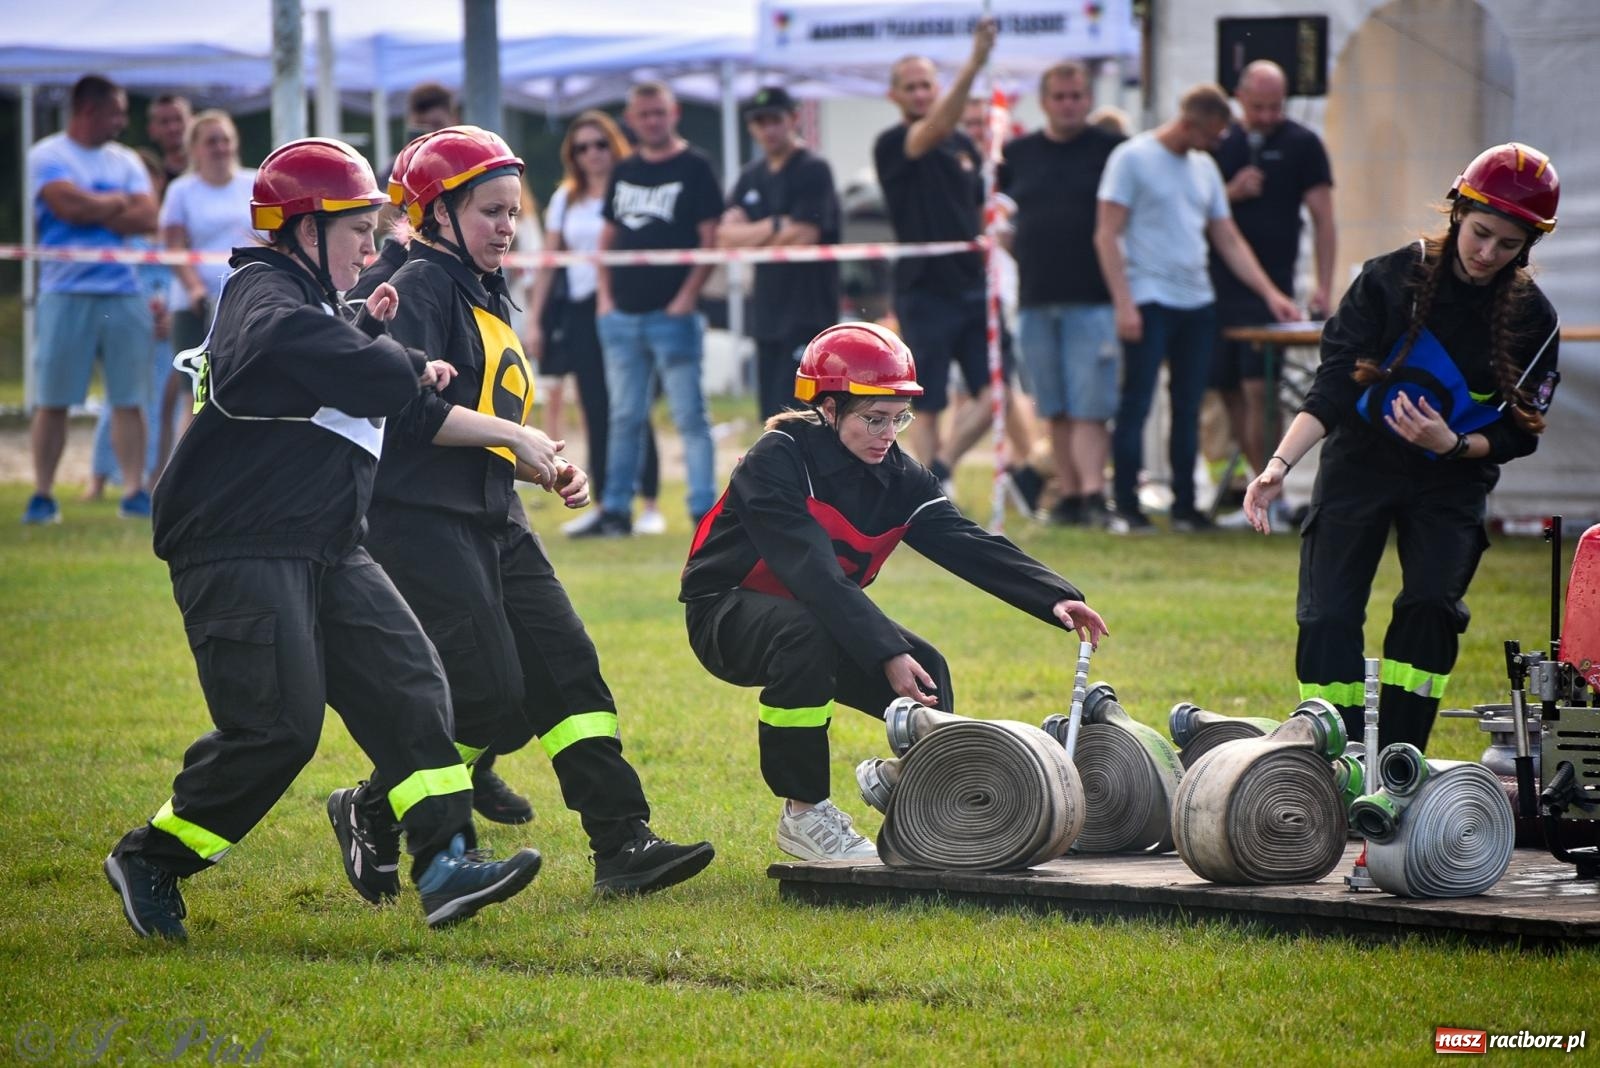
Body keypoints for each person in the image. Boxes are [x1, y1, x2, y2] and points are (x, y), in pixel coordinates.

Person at [104, 138, 542, 940]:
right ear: (304, 228)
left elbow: (350, 365)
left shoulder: (320, 301)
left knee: (415, 686)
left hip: (329, 542)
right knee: (278, 730)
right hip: (239, 543)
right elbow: (288, 349)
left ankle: (444, 864)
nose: (373, 250)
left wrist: (376, 340)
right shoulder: (262, 292)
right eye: (358, 233)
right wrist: (400, 361)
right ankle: (154, 858)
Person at [340, 127, 715, 897]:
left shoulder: (482, 285)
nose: (507, 227)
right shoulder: (416, 284)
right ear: (437, 213)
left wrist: (540, 467)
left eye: (513, 212)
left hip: (494, 511)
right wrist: (518, 438)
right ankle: (373, 808)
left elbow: (480, 415)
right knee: (486, 696)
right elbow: (409, 413)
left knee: (570, 672)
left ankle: (623, 843)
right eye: (489, 212)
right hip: (419, 519)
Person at [681, 322, 1108, 860]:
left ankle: (928, 800)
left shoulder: (902, 476)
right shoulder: (777, 459)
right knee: (806, 634)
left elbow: (966, 541)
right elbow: (811, 571)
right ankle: (804, 813)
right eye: (873, 419)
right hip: (723, 616)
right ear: (829, 409)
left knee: (928, 667)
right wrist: (885, 650)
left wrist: (1053, 594)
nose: (888, 434)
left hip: (815, 614)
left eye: (898, 419)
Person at [1244, 143, 1561, 755]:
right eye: (1481, 233)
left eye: (1508, 245)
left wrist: (1455, 444)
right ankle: (1331, 755)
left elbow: (1520, 431)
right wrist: (1278, 466)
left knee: (1431, 605)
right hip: (1361, 464)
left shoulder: (1533, 319)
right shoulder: (1389, 279)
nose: (1488, 254)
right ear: (1457, 213)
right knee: (1328, 614)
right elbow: (1333, 384)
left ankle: (1398, 762)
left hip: (1451, 482)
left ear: (1528, 248)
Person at [1094, 82, 1299, 534]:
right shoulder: (1132, 158)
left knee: (1189, 406)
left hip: (1197, 303)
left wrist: (1271, 294)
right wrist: (1124, 303)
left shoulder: (1204, 167)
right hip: (1148, 300)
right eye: (1211, 134)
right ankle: (1126, 504)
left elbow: (1226, 237)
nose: (1216, 143)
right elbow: (1106, 234)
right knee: (1138, 403)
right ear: (1189, 123)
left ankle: (1186, 507)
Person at [874, 20, 1027, 492]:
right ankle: (932, 490)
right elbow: (932, 128)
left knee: (996, 390)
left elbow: (975, 208)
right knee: (928, 398)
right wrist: (976, 62)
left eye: (927, 85)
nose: (921, 94)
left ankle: (935, 473)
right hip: (924, 287)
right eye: (911, 87)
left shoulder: (964, 145)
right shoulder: (893, 143)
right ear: (894, 95)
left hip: (972, 284)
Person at [585, 81, 724, 537]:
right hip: (622, 314)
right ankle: (616, 510)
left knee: (689, 415)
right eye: (644, 115)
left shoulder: (695, 166)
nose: (652, 122)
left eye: (659, 113)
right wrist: (604, 296)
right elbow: (608, 237)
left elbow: (710, 239)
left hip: (674, 315)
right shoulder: (626, 170)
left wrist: (687, 296)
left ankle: (704, 510)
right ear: (633, 119)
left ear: (674, 112)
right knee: (624, 416)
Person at [24, 74, 158, 525]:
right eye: (117, 112)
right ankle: (43, 494)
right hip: (64, 291)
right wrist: (117, 203)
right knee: (53, 399)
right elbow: (65, 207)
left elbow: (147, 216)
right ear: (89, 109)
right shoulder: (47, 155)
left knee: (130, 398)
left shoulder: (125, 160)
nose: (122, 122)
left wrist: (96, 204)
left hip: (124, 291)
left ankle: (134, 491)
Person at [525, 110, 665, 538]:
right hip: (583, 311)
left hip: (627, 306)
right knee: (596, 408)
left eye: (600, 144)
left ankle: (650, 502)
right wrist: (535, 317)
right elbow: (549, 263)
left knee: (633, 405)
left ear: (614, 145)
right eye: (582, 147)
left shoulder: (631, 190)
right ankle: (607, 504)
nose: (592, 154)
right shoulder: (566, 199)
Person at [1209, 61, 1336, 517]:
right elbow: (1200, 209)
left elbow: (1324, 219)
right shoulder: (1221, 141)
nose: (1266, 116)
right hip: (1215, 288)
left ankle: (1273, 492)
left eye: (1275, 107)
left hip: (1274, 290)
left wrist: (1322, 285)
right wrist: (1232, 192)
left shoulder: (1302, 143)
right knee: (1227, 390)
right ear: (1239, 98)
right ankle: (1253, 490)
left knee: (1258, 389)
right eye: (1258, 106)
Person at [1000, 61, 1125, 527]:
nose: (1069, 104)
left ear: (1088, 99)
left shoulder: (1111, 150)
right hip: (1035, 298)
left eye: (1076, 96)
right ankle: (1069, 494)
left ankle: (1095, 492)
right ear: (1044, 100)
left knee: (1091, 403)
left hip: (1093, 298)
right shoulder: (1018, 154)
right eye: (1060, 97)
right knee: (1053, 404)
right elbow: (1001, 220)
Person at [717, 86, 842, 422]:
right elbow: (725, 237)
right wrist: (774, 225)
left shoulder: (813, 169)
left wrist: (751, 234)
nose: (768, 129)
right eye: (760, 122)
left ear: (793, 119)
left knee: (805, 418)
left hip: (808, 314)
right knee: (771, 417)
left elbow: (804, 236)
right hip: (767, 314)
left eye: (775, 120)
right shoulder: (751, 176)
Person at [154, 110, 257, 473]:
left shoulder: (253, 183)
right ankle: (185, 476)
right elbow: (175, 249)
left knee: (244, 392)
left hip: (246, 303)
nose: (220, 147)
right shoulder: (182, 190)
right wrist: (196, 290)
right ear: (194, 149)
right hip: (195, 309)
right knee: (196, 396)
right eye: (211, 141)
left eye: (225, 139)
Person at [138, 93, 192, 199]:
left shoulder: (213, 175)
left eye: (178, 119)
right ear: (152, 130)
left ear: (192, 122)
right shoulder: (149, 181)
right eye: (164, 122)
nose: (173, 128)